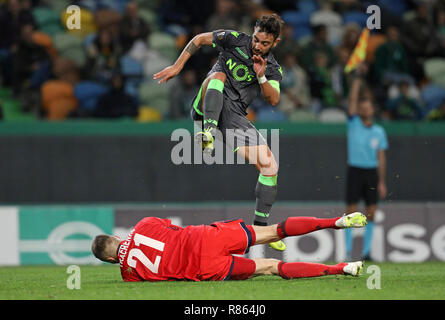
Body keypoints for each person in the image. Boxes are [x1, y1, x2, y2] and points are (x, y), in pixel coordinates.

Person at [153, 14, 285, 251]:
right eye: (256, 39)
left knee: (270, 166)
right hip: (206, 106)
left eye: (264, 43)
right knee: (218, 75)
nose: (257, 45)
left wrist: (261, 75)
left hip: (233, 118)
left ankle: (260, 229)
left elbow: (273, 99)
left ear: (275, 43)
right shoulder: (234, 39)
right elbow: (200, 39)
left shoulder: (273, 68)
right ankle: (208, 132)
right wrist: (177, 66)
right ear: (252, 33)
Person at [91, 212, 367, 282]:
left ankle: (342, 268)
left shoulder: (127, 273)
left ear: (110, 260)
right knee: (274, 231)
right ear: (116, 238)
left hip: (205, 267)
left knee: (272, 267)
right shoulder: (143, 224)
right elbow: (168, 226)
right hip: (207, 237)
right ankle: (337, 220)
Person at [345, 63, 388, 261]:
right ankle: (347, 251)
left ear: (372, 110)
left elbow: (381, 158)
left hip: (371, 173)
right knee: (350, 213)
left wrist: (381, 181)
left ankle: (366, 252)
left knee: (371, 213)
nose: (364, 109)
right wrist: (357, 78)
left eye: (367, 106)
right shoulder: (353, 123)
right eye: (361, 107)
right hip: (355, 171)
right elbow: (352, 100)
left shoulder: (379, 131)